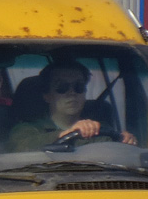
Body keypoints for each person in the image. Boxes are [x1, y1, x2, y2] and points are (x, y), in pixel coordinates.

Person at [8, 59, 137, 151]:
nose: (72, 92)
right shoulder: (25, 130)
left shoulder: (100, 129)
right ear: (47, 96)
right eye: (62, 87)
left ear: (85, 92)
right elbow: (21, 147)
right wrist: (68, 133)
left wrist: (125, 142)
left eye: (78, 86)